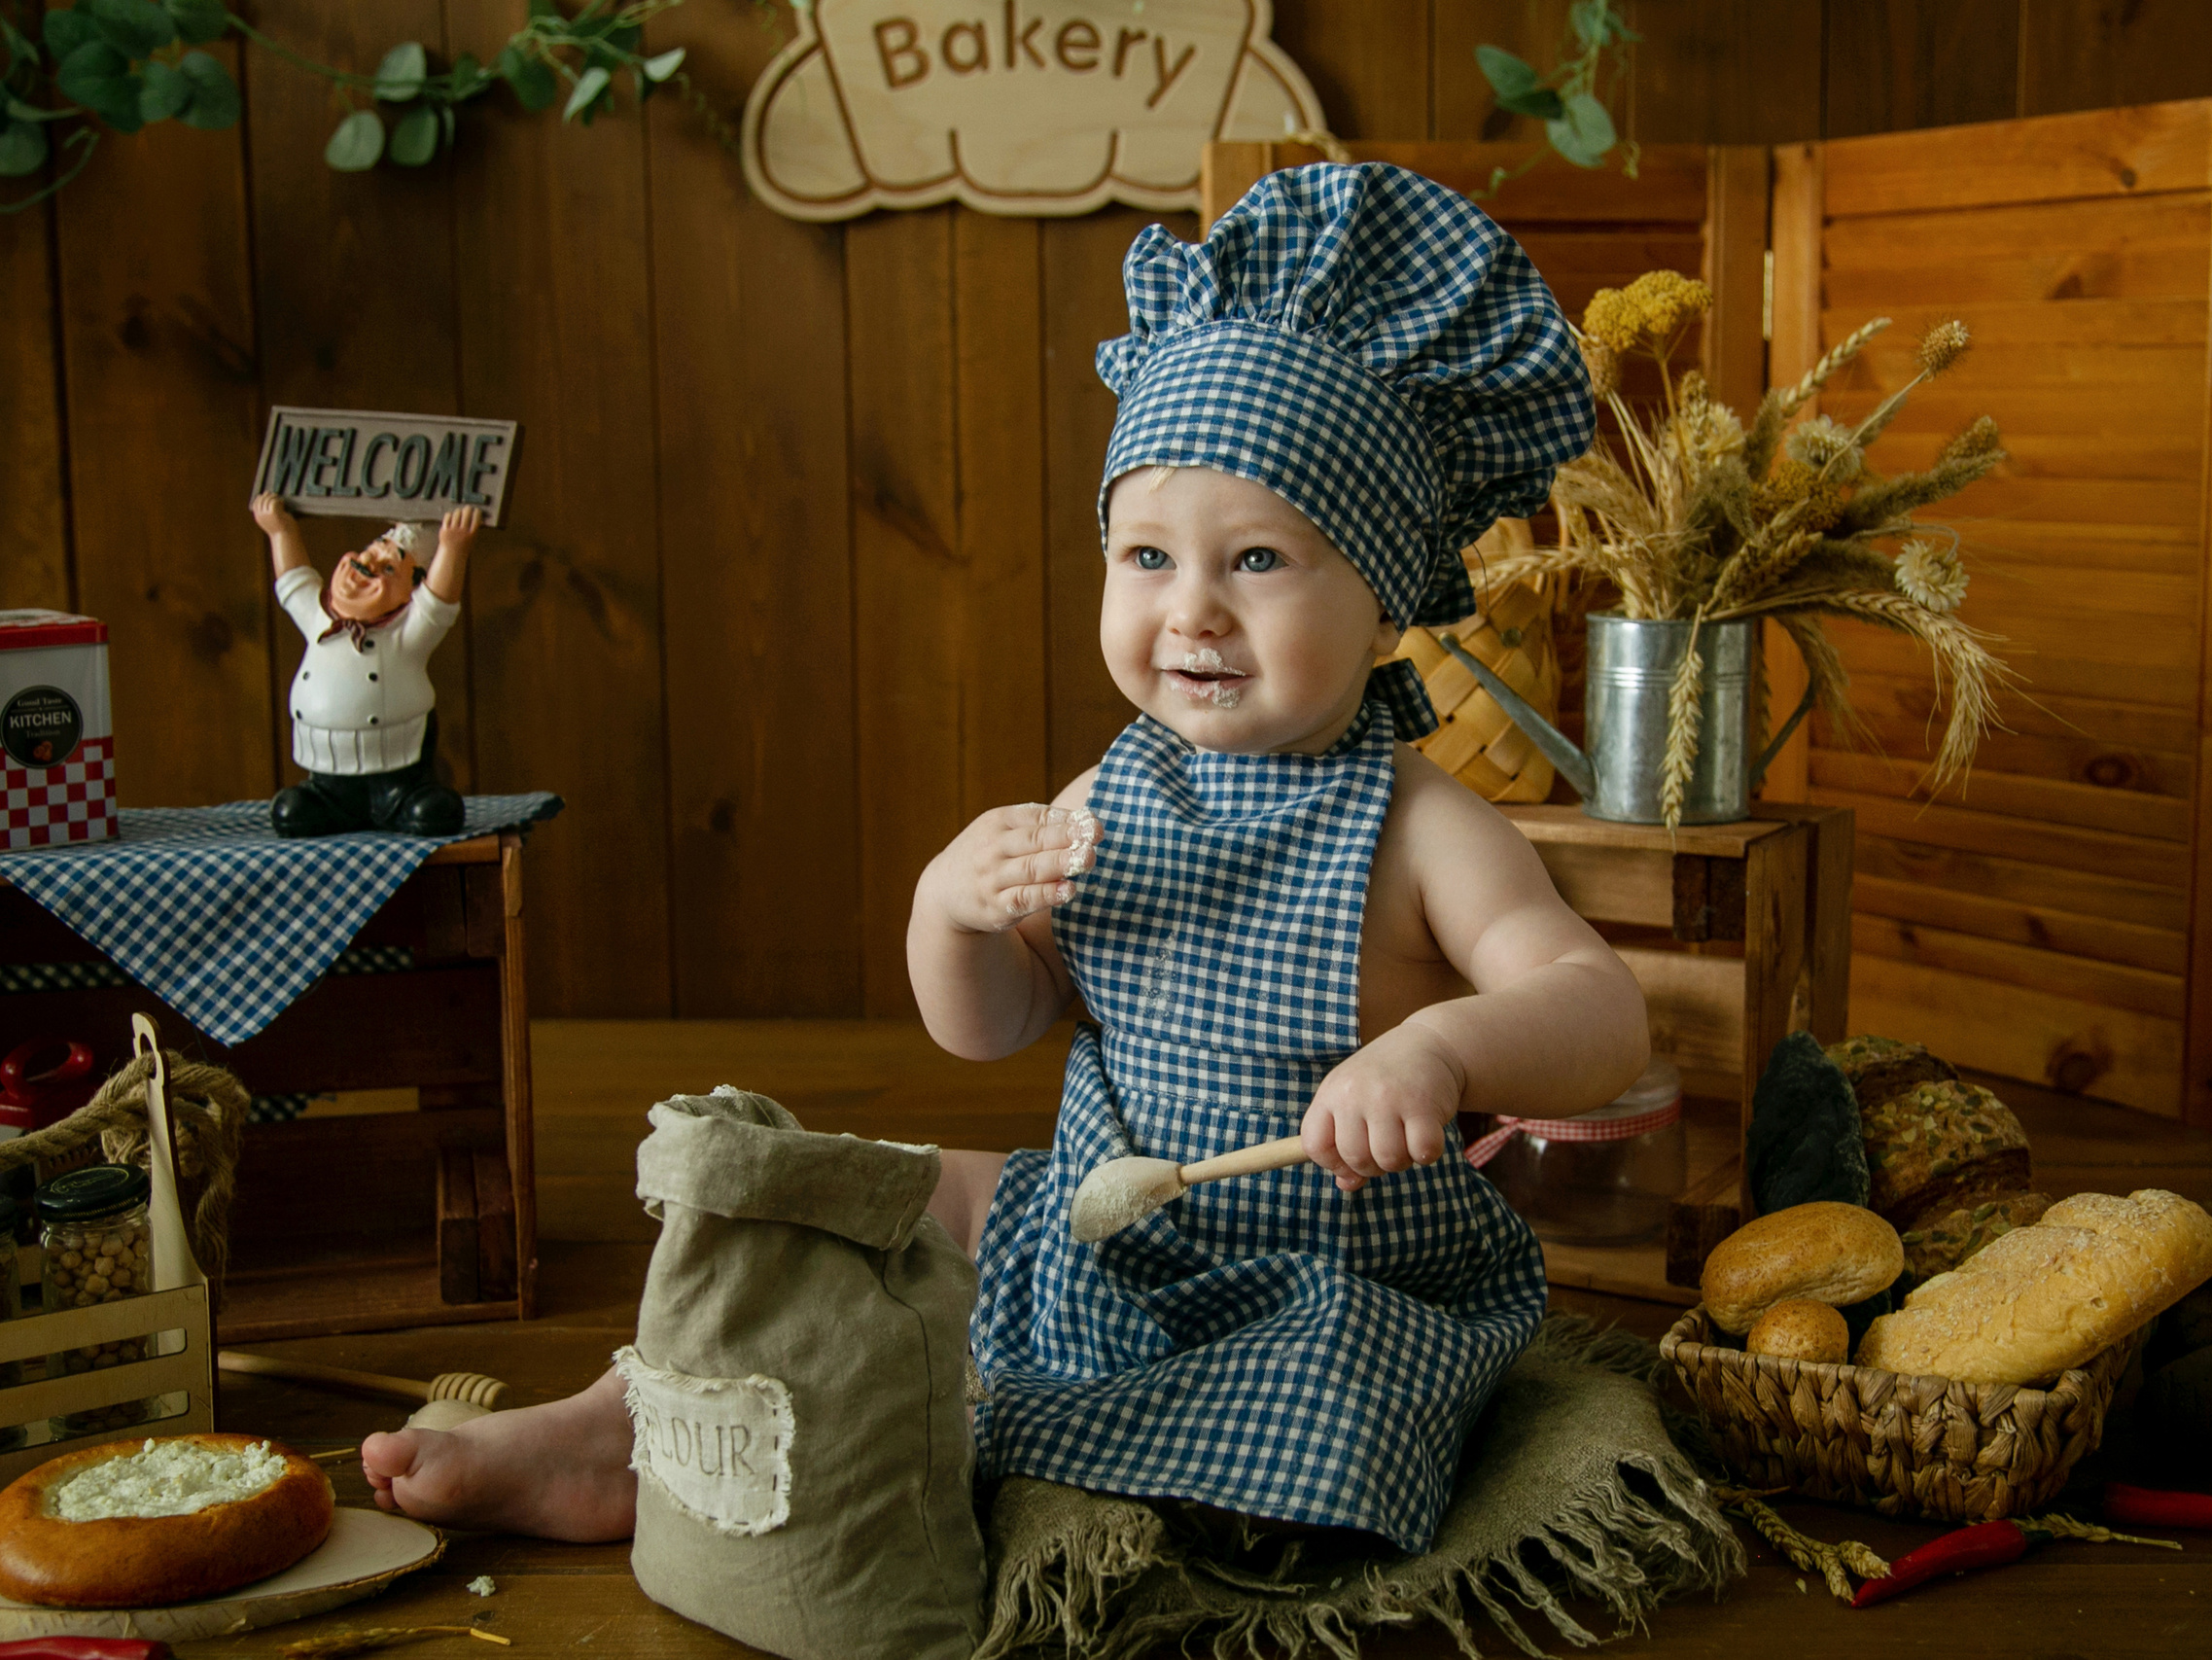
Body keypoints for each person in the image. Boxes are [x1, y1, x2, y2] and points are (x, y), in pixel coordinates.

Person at [357, 163, 1650, 1551]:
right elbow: (993, 1026)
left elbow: (1598, 1006)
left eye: (1260, 560)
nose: (1192, 609)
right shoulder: (1113, 787)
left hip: (1324, 1273)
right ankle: (628, 1419)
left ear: (1385, 595)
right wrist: (955, 915)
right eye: (1146, 555)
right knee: (853, 1197)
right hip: (1098, 1218)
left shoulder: (1419, 822)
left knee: (1334, 1417)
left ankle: (953, 1440)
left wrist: (1440, 1051)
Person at [251, 494, 477, 837]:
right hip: (328, 772)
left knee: (431, 814)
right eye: (372, 551)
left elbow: (439, 602)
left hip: (398, 768)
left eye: (389, 568)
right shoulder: (318, 618)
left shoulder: (407, 634)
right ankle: (327, 800)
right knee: (292, 813)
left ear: (412, 591)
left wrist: (453, 549)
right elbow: (294, 580)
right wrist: (280, 531)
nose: (367, 565)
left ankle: (402, 801)